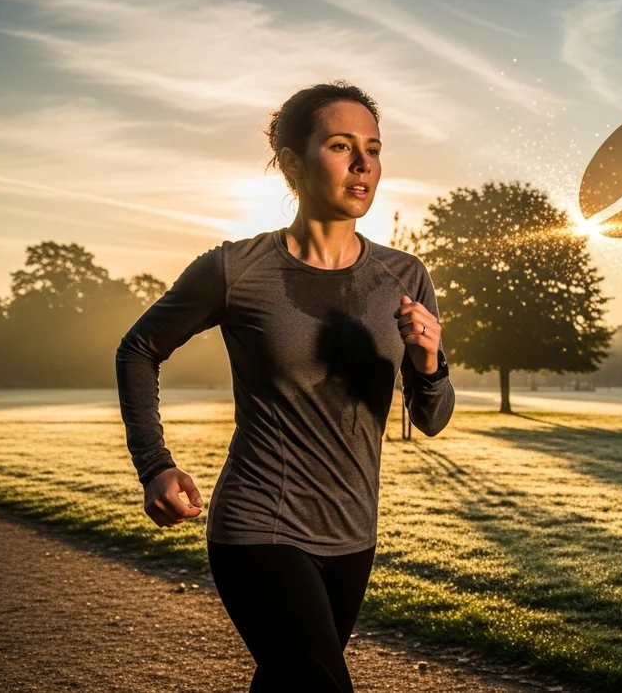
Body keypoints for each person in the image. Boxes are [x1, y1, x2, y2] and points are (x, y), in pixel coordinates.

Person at [115, 81, 455, 692]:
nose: (363, 164)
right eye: (341, 146)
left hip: (352, 534)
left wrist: (429, 363)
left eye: (374, 149)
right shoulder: (235, 269)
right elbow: (139, 348)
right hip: (259, 527)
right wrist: (154, 464)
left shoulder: (405, 275)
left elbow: (431, 418)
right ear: (292, 162)